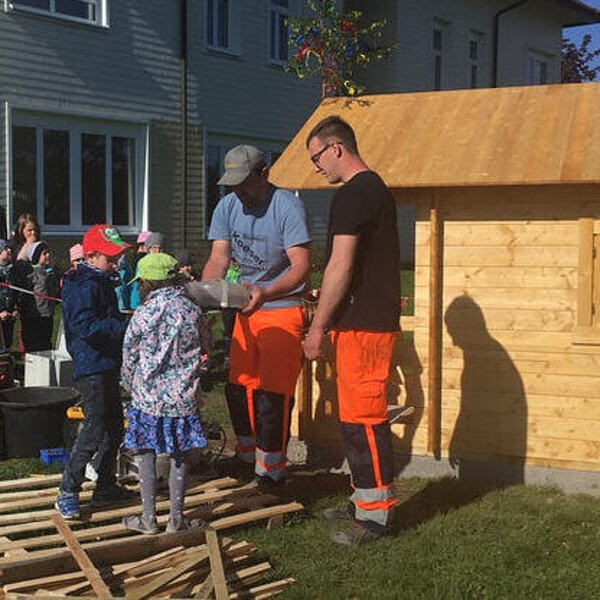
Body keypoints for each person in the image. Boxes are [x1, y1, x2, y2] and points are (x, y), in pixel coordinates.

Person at [304, 116, 401, 546]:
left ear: (336, 148)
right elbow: (351, 269)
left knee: (364, 423)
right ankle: (363, 500)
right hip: (362, 322)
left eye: (317, 157)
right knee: (354, 420)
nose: (316, 167)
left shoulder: (354, 195)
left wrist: (317, 327)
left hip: (363, 327)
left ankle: (375, 519)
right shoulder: (373, 190)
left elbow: (341, 265)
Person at [202, 144, 310, 488]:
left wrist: (267, 292)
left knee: (272, 395)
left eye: (245, 183)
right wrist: (203, 298)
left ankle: (271, 471)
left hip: (282, 308)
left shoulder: (286, 206)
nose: (239, 191)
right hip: (244, 309)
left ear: (264, 174)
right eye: (233, 184)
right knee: (239, 388)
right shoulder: (227, 206)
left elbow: (301, 267)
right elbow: (219, 258)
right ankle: (247, 456)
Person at [121, 253, 210, 534]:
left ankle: (148, 518)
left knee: (145, 453)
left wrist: (127, 383)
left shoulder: (144, 313)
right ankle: (176, 519)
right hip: (181, 399)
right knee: (179, 455)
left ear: (146, 282)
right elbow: (206, 348)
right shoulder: (193, 311)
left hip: (146, 398)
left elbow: (129, 354)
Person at [55, 224, 134, 519]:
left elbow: (105, 318)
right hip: (92, 366)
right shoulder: (84, 285)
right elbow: (86, 327)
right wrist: (124, 327)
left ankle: (105, 486)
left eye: (117, 257)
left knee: (114, 427)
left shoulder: (100, 281)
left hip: (107, 363)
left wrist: (122, 321)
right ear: (91, 256)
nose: (115, 263)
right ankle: (68, 488)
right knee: (94, 428)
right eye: (110, 258)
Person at [17, 241, 59, 352]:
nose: (48, 255)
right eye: (44, 253)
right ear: (36, 256)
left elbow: (54, 291)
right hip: (34, 316)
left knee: (46, 344)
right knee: (34, 346)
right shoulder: (32, 274)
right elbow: (25, 295)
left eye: (48, 253)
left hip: (48, 315)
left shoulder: (51, 273)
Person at [0, 240, 17, 350]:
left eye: (9, 248)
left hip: (9, 314)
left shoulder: (12, 271)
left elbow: (15, 291)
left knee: (8, 341)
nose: (9, 250)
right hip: (1, 313)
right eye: (6, 249)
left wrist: (15, 309)